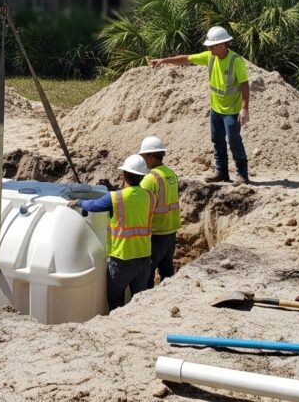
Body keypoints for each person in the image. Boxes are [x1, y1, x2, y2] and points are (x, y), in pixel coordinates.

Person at [150, 25, 251, 184]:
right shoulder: (209, 57)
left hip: (232, 111)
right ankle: (221, 172)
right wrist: (164, 60)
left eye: (212, 45)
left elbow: (245, 85)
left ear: (223, 44)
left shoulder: (235, 61)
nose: (210, 48)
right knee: (217, 140)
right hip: (216, 109)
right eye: (209, 46)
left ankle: (242, 175)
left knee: (233, 141)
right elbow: (186, 58)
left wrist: (244, 109)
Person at [67, 154, 155, 312]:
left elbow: (93, 206)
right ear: (142, 177)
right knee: (139, 301)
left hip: (122, 260)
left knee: (115, 300)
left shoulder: (115, 198)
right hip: (144, 257)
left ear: (125, 174)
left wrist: (78, 202)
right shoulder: (150, 196)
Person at [137, 136, 180, 287]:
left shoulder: (150, 179)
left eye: (143, 156)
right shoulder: (170, 173)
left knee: (146, 271)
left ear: (149, 156)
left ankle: (148, 301)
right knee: (167, 269)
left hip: (156, 232)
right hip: (170, 230)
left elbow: (139, 204)